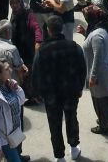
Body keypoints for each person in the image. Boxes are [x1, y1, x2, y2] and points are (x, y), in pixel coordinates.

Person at [31, 14, 86, 162]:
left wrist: (37, 92)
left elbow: (36, 72)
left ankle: (59, 156)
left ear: (48, 30)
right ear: (62, 28)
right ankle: (74, 147)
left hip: (51, 94)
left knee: (55, 124)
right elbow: (82, 68)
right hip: (70, 91)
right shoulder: (74, 47)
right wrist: (80, 87)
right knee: (71, 118)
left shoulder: (42, 51)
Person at [81, 5, 108, 136]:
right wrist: (85, 34)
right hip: (106, 71)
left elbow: (98, 57)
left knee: (101, 101)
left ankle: (105, 125)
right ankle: (107, 120)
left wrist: (93, 76)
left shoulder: (97, 35)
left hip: (100, 74)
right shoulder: (104, 29)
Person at [0, 58, 26, 162]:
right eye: (7, 69)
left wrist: (17, 88)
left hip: (14, 136)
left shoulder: (9, 85)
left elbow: (21, 101)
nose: (11, 70)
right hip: (4, 141)